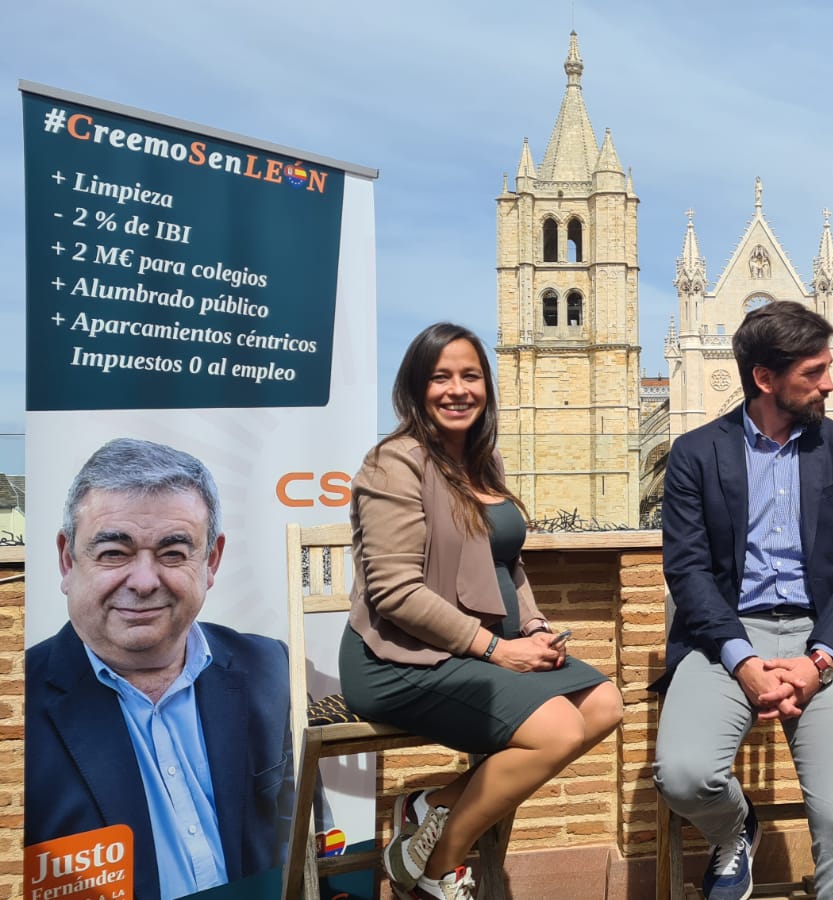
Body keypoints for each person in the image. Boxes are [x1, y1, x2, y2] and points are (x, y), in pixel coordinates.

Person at [340, 323, 623, 900]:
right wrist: (498, 649)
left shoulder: (477, 461)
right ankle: (437, 868)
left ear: (486, 386)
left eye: (470, 375)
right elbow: (394, 592)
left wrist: (537, 627)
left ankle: (436, 806)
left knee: (604, 704)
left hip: (479, 650)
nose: (457, 389)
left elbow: (508, 565)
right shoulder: (392, 464)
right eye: (441, 377)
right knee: (556, 729)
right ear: (416, 388)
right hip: (400, 656)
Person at [652, 301, 833, 900]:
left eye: (828, 367)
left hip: (824, 637)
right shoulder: (696, 453)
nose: (830, 383)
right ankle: (737, 830)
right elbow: (688, 571)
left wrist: (820, 659)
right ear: (764, 379)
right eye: (813, 372)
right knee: (684, 778)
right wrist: (742, 661)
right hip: (725, 636)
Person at [26, 437, 292, 900]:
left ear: (211, 560)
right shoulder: (17, 703)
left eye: (173, 553)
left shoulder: (271, 667)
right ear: (68, 559)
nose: (145, 581)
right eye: (114, 552)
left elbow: (305, 831)